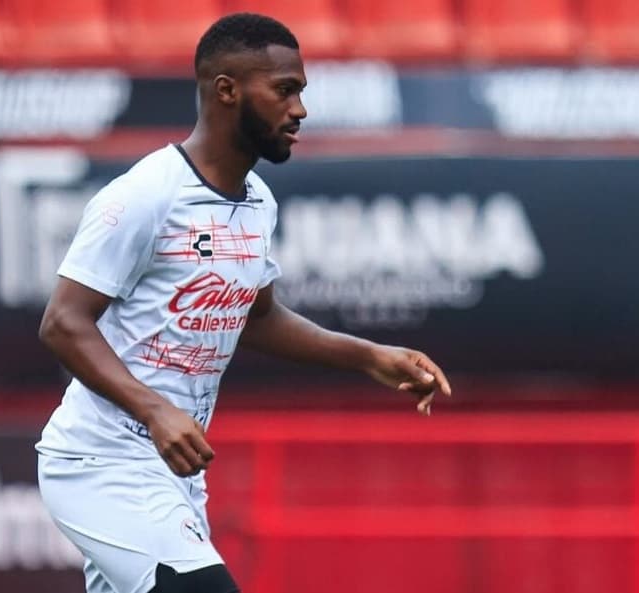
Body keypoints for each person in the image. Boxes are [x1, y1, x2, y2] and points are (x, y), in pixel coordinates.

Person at [35, 12, 452, 593]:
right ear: (226, 90)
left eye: (300, 92)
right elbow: (63, 323)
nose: (299, 109)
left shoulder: (258, 202)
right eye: (284, 90)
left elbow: (258, 317)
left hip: (176, 472)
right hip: (102, 463)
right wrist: (155, 411)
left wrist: (369, 356)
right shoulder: (145, 195)